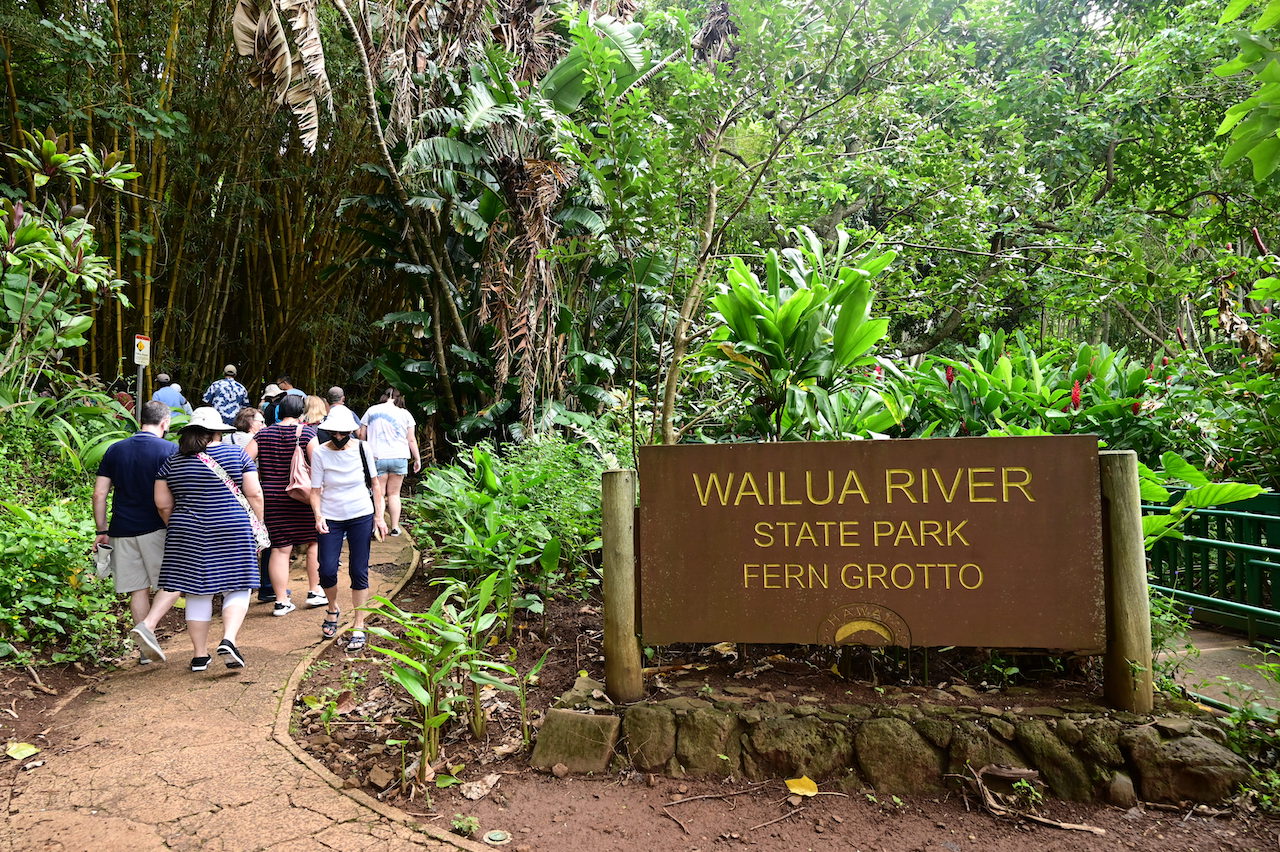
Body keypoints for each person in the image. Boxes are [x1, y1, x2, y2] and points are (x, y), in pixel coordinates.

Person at [129, 407, 262, 671]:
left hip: (185, 527)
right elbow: (254, 493)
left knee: (196, 590)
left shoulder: (172, 461)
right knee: (237, 584)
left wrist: (180, 527)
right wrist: (259, 524)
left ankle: (200, 656)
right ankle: (228, 640)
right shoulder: (236, 454)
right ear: (217, 431)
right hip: (232, 525)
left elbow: (162, 504)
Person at [92, 401, 179, 664]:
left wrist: (102, 529)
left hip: (121, 529)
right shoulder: (170, 449)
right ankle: (148, 628)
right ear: (165, 423)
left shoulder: (115, 450)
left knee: (138, 590)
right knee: (174, 581)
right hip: (157, 528)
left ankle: (144, 652)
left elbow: (99, 493)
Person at [309, 408, 386, 651]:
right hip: (331, 516)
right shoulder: (320, 453)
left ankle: (359, 623)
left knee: (358, 569)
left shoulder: (362, 448)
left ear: (350, 432)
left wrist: (380, 517)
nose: (339, 436)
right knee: (328, 569)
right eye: (335, 432)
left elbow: (375, 484)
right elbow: (315, 490)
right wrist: (318, 515)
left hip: (360, 513)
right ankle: (332, 608)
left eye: (344, 432)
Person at [246, 393, 325, 613]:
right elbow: (318, 465)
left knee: (281, 549)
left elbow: (243, 460)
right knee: (313, 543)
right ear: (301, 412)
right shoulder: (308, 432)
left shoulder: (263, 434)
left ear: (279, 411)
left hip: (272, 497)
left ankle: (281, 601)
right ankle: (314, 591)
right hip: (301, 496)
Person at [360, 388, 420, 537]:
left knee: (378, 493)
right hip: (399, 457)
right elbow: (411, 439)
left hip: (377, 456)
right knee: (394, 494)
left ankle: (377, 525)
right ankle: (394, 527)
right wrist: (417, 458)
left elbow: (361, 434)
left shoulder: (371, 410)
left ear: (384, 396)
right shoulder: (405, 414)